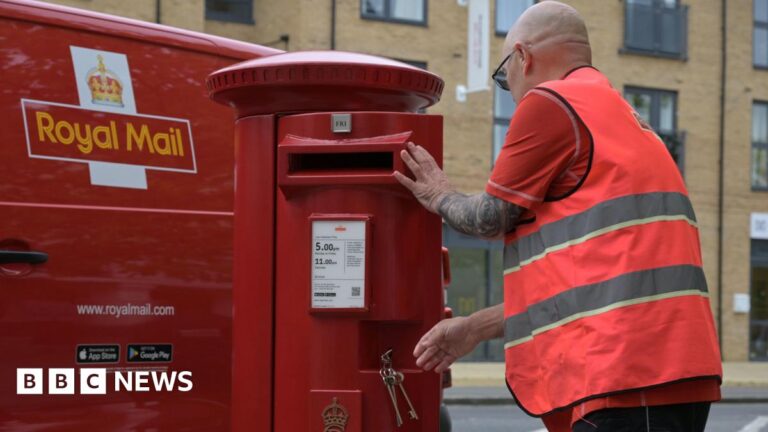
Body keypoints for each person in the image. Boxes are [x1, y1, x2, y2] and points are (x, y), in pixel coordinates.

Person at [393, 1, 723, 431]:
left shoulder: (551, 102)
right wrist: (474, 328)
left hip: (624, 373)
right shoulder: (622, 116)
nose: (509, 89)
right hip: (670, 369)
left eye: (502, 74)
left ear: (523, 57)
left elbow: (492, 217)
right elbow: (585, 293)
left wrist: (439, 195)